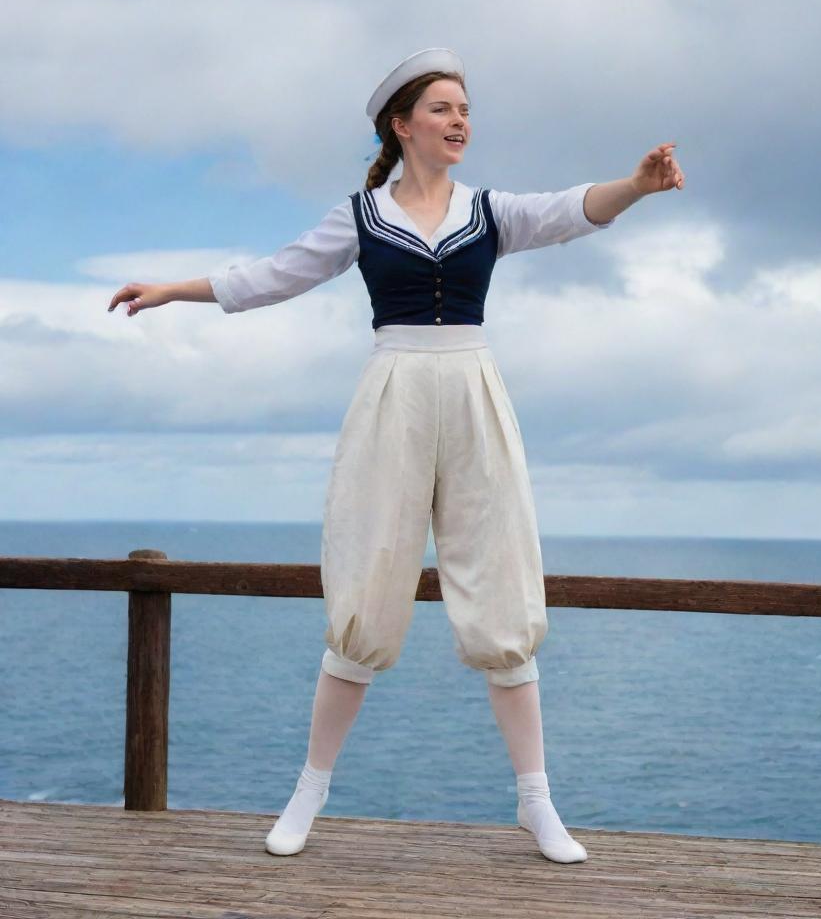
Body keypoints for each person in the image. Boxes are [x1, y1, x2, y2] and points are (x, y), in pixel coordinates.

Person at [107, 47, 685, 864]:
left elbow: (568, 210)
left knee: (503, 581)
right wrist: (172, 289)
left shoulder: (489, 210)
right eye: (444, 108)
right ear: (402, 124)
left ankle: (536, 803)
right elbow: (276, 275)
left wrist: (636, 186)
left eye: (466, 108)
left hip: (474, 393)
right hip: (393, 396)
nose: (461, 121)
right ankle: (309, 792)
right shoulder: (360, 215)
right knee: (365, 584)